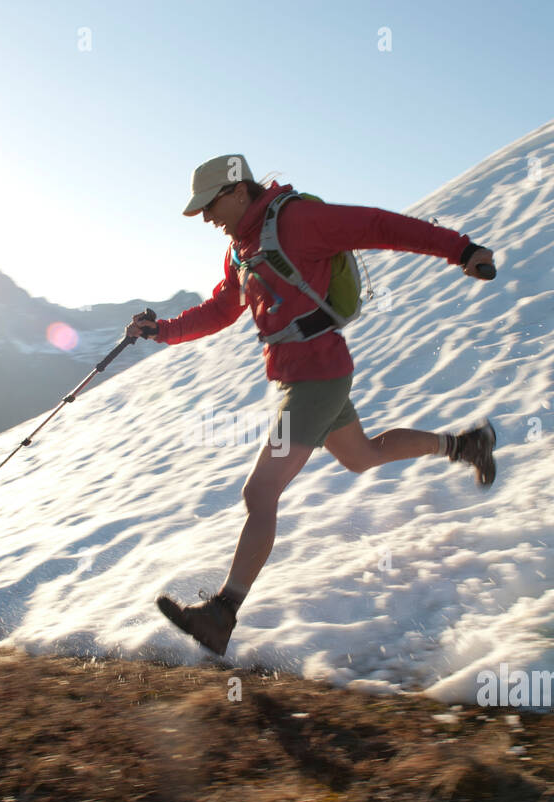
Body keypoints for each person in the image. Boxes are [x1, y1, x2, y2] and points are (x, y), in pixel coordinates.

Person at [126, 154, 497, 657]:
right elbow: (221, 309)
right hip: (300, 378)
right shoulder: (241, 249)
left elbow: (378, 226)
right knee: (361, 456)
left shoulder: (297, 220)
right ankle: (465, 444)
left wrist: (462, 250)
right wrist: (163, 331)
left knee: (259, 493)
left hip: (318, 376)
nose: (207, 218)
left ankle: (221, 614)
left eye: (210, 205)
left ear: (238, 192)